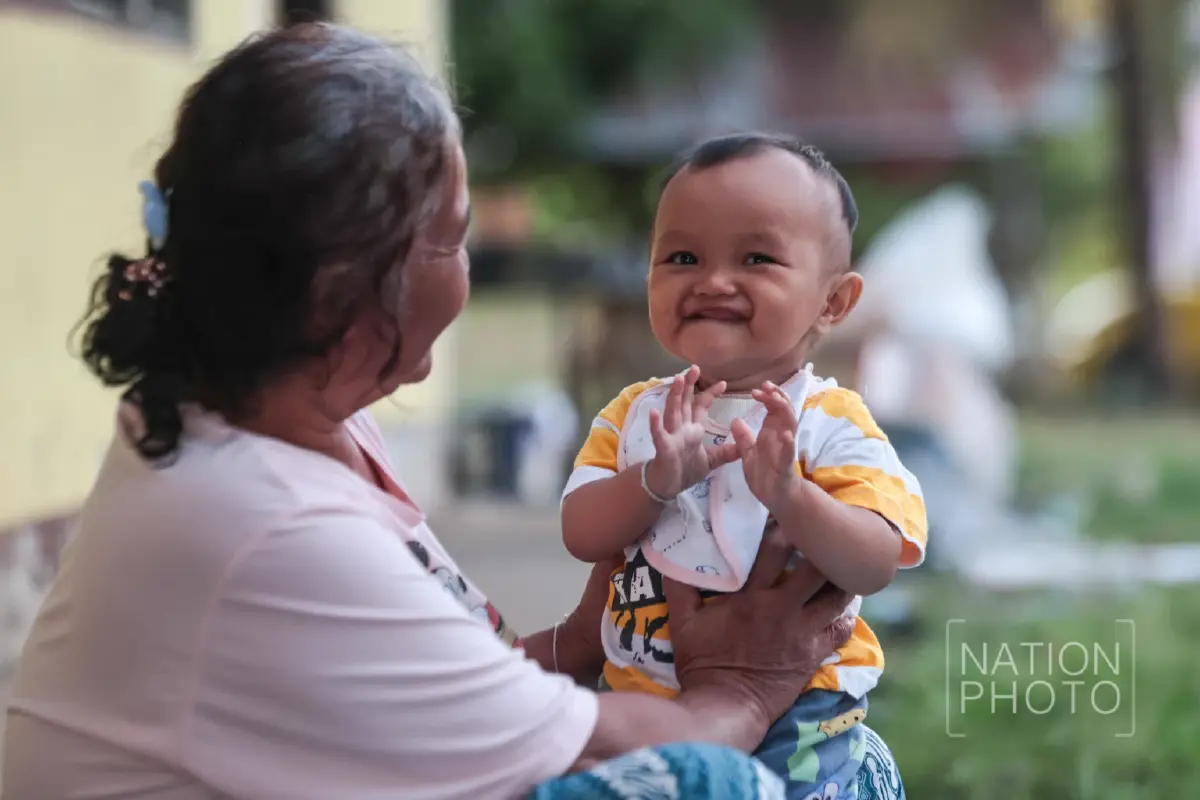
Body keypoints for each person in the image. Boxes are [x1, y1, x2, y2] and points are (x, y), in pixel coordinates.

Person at [1, 24, 907, 800]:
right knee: (718, 784)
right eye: (456, 233)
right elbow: (597, 741)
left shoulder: (270, 414)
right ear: (352, 289)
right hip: (715, 696)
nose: (470, 269)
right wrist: (744, 692)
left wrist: (583, 638)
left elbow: (458, 681)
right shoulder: (273, 525)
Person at [560, 134, 929, 799]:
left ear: (834, 301)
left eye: (756, 257)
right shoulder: (634, 415)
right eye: (681, 256)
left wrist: (791, 495)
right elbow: (582, 533)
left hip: (800, 718)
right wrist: (651, 481)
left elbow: (874, 561)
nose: (712, 280)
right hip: (646, 707)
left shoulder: (830, 422)